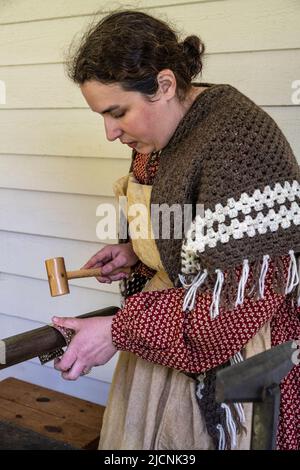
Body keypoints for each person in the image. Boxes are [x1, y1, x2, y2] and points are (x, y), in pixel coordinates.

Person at [52, 10, 300, 450]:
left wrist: (115, 331)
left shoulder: (237, 144)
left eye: (117, 112)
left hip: (230, 344)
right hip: (165, 327)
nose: (110, 132)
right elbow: (190, 222)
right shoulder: (155, 135)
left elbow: (233, 306)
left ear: (165, 85)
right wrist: (138, 251)